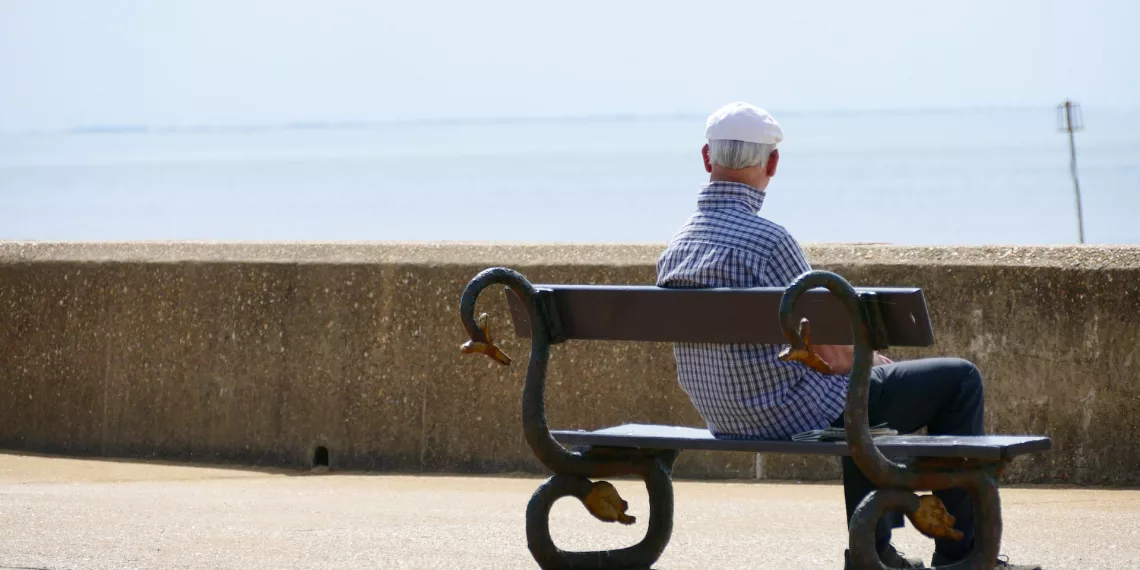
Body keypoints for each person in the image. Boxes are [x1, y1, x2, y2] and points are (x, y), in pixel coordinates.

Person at [655, 102, 1040, 570]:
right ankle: (962, 553)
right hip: (787, 412)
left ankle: (875, 551)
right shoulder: (770, 242)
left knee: (858, 398)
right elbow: (837, 352)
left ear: (706, 158)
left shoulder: (676, 247)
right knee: (954, 380)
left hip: (722, 414)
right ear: (772, 163)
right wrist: (868, 359)